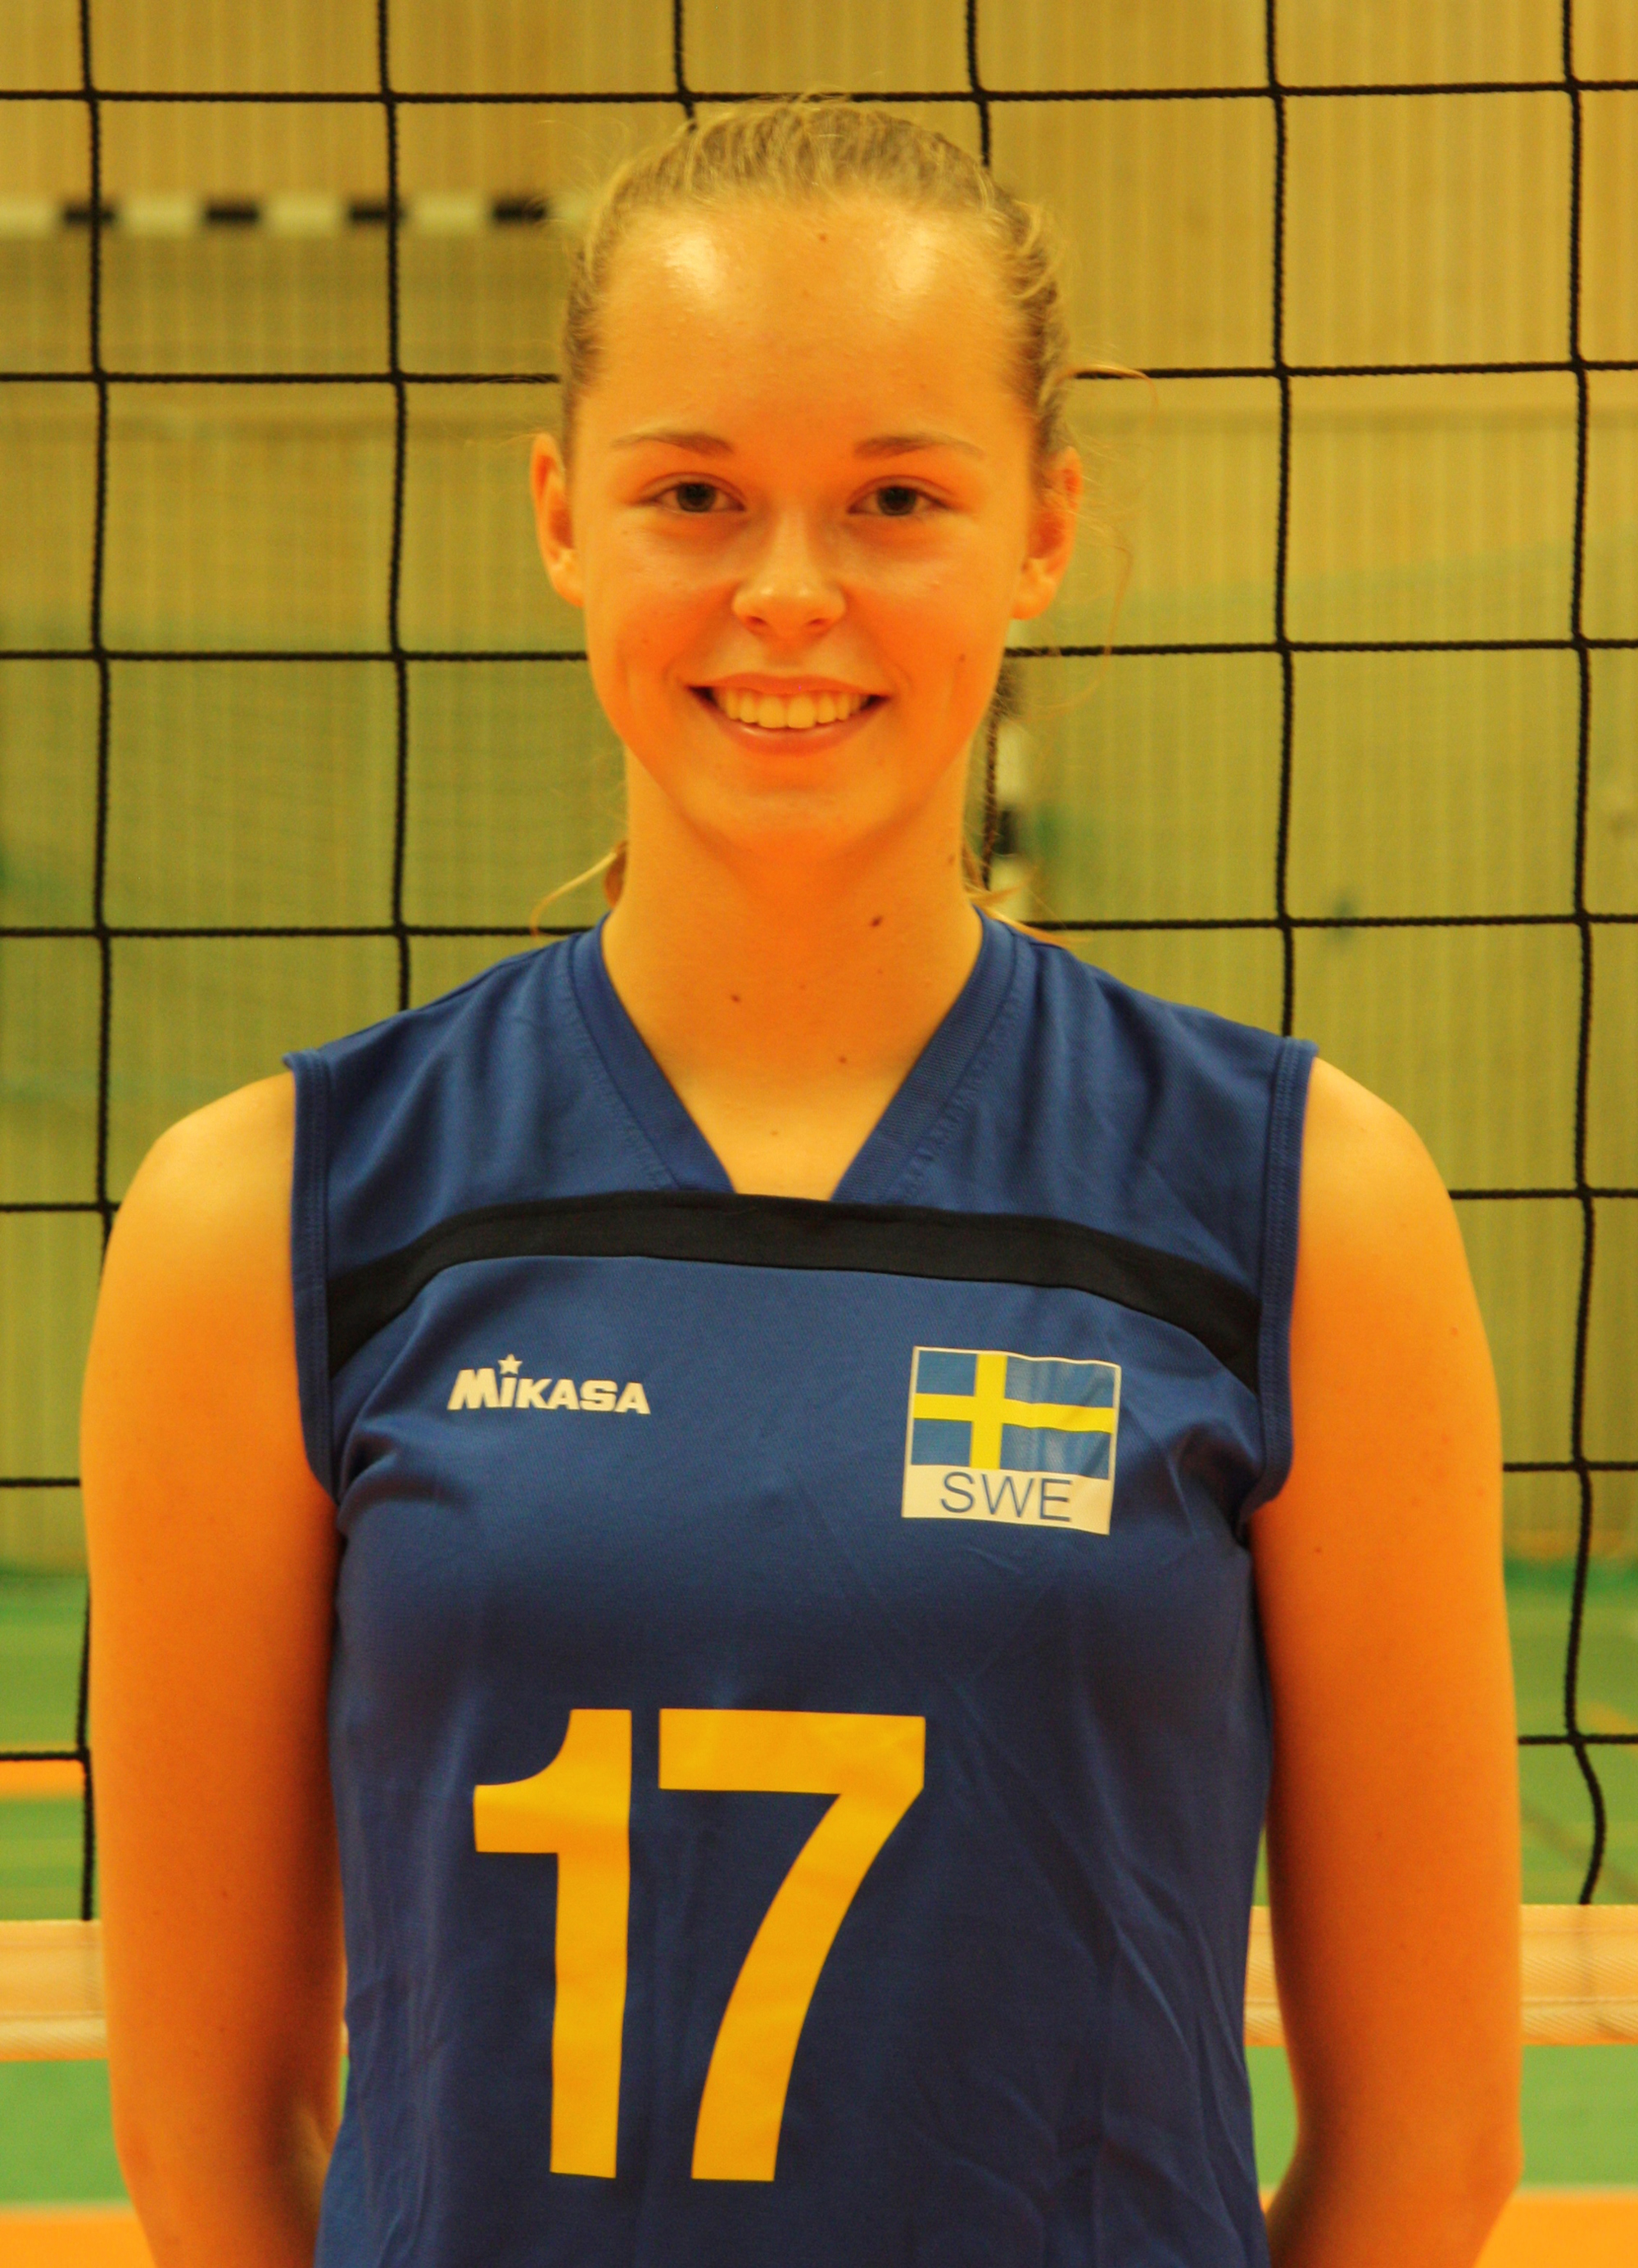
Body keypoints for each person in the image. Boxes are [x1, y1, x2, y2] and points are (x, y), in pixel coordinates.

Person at [82, 97, 1521, 2268]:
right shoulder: (264, 1218)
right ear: (561, 516)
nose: (785, 590)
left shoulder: (1305, 1206)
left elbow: (1430, 2149)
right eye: (694, 494)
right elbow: (209, 2145)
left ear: (1044, 529)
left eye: (895, 499)